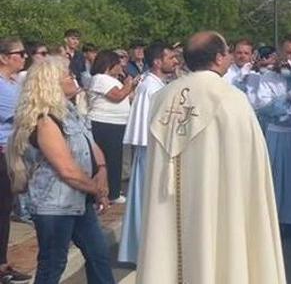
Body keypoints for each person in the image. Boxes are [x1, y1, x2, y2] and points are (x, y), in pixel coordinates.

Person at [137, 32, 285, 283]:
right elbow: (252, 166)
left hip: (169, 203)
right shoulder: (231, 99)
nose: (229, 56)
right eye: (227, 51)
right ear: (218, 58)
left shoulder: (162, 99)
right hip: (221, 207)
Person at [6, 57, 112, 284]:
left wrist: (101, 170)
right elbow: (66, 169)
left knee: (99, 255)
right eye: (67, 75)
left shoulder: (71, 112)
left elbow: (91, 146)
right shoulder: (45, 121)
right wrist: (97, 190)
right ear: (51, 83)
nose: (73, 77)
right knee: (53, 264)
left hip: (79, 200)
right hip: (54, 206)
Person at [118, 42, 176, 265]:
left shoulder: (158, 84)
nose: (175, 61)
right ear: (157, 62)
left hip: (157, 149)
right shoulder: (150, 87)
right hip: (149, 149)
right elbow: (147, 123)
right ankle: (144, 249)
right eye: (170, 57)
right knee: (146, 199)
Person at [251, 43, 291, 229]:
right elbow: (263, 107)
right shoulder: (268, 77)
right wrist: (288, 97)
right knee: (279, 178)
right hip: (279, 133)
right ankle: (279, 221)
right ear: (281, 55)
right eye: (289, 53)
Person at [0, 38, 33, 283]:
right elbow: (21, 115)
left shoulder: (14, 83)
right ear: (3, 57)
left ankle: (2, 263)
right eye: (19, 53)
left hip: (12, 151)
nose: (24, 57)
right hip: (2, 152)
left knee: (5, 209)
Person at [86, 50, 136, 204]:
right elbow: (117, 96)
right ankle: (111, 193)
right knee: (109, 159)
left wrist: (132, 87)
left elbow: (126, 96)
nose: (121, 66)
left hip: (116, 123)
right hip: (104, 123)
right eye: (117, 63)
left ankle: (112, 190)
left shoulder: (111, 80)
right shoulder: (100, 78)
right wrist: (129, 84)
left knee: (114, 158)